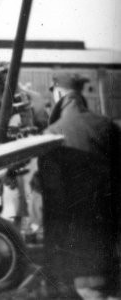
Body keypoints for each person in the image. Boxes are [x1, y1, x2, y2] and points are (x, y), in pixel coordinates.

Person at [37, 73, 120, 299]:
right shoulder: (107, 126)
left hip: (73, 232)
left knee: (86, 289)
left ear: (60, 93)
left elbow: (50, 195)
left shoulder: (51, 135)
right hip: (106, 228)